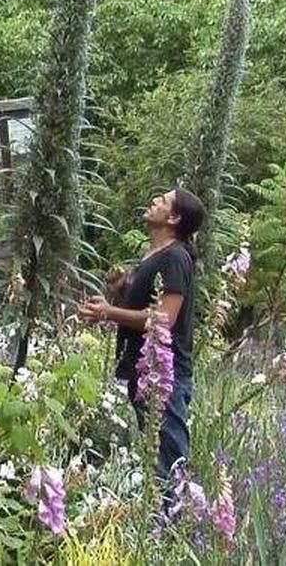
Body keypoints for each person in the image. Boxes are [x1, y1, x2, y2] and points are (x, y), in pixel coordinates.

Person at [78, 188, 205, 492]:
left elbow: (164, 319)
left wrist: (110, 313)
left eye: (163, 200)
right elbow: (141, 309)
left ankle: (177, 524)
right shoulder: (155, 255)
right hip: (145, 372)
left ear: (174, 218)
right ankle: (163, 527)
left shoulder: (174, 256)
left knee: (170, 462)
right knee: (155, 457)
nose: (154, 200)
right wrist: (117, 295)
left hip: (164, 376)